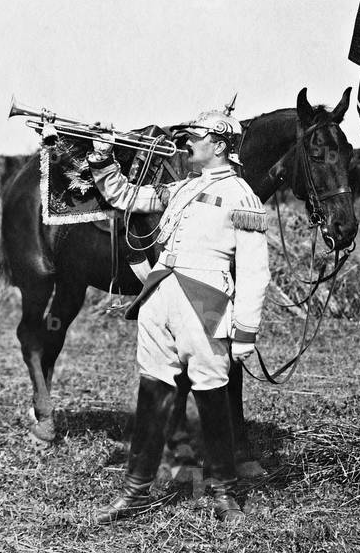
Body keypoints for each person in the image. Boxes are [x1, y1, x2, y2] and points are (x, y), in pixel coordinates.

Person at [85, 109, 271, 524]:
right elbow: (125, 196)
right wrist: (102, 157)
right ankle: (135, 491)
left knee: (211, 395)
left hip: (204, 302)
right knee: (151, 393)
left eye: (195, 137)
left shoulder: (243, 196)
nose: (187, 143)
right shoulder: (181, 187)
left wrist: (246, 332)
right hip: (159, 296)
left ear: (220, 144)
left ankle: (224, 493)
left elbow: (256, 271)